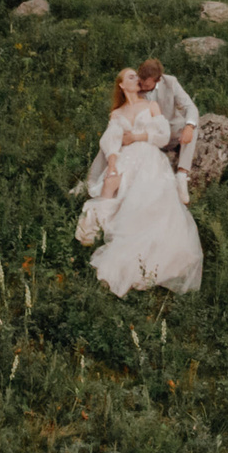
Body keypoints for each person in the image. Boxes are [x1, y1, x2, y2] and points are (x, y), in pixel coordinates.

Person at [75, 67, 204, 297]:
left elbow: (163, 136)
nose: (138, 79)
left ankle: (145, 252)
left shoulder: (151, 106)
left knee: (147, 199)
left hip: (149, 155)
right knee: (112, 186)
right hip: (126, 159)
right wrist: (112, 166)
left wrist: (136, 136)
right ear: (122, 85)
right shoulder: (116, 114)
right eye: (132, 76)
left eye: (138, 75)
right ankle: (97, 233)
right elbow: (111, 144)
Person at [83, 57, 203, 205]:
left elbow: (189, 106)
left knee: (192, 127)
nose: (142, 85)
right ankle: (94, 178)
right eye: (140, 80)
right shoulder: (136, 88)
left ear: (157, 80)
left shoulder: (170, 82)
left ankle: (182, 174)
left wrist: (189, 126)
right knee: (112, 139)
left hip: (169, 131)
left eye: (146, 83)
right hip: (144, 139)